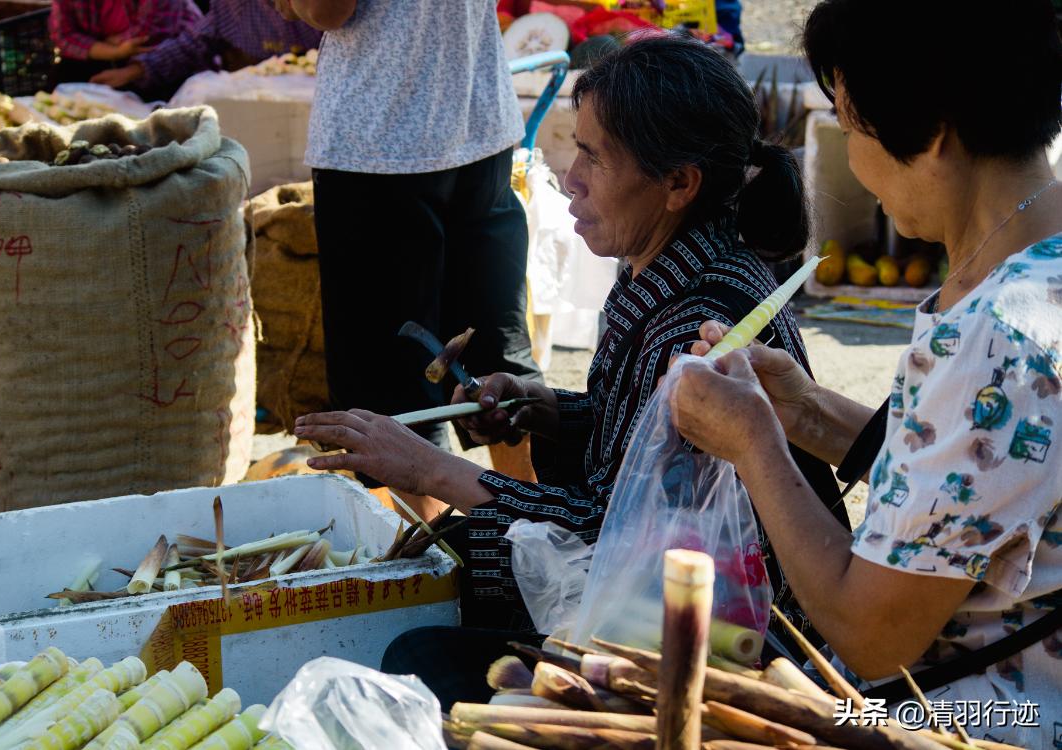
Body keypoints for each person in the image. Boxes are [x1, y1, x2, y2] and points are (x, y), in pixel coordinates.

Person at [297, 34, 848, 692]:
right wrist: (553, 411)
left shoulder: (697, 326)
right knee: (441, 563)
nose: (569, 178)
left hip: (727, 632)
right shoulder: (670, 264)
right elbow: (648, 445)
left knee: (419, 630)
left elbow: (607, 527)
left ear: (678, 183)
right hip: (652, 573)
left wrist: (427, 466)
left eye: (592, 156)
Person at [669, 1, 1061, 745]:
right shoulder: (1032, 269)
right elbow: (981, 489)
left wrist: (752, 443)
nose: (849, 156)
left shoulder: (998, 336)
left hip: (980, 722)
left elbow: (870, 635)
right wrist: (805, 413)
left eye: (850, 124)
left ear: (934, 132)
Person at [273, 0, 542, 518]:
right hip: (477, 119)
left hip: (379, 138)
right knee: (498, 362)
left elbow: (326, 9)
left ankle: (440, 574)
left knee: (390, 392)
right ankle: (535, 541)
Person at [90, 0, 322, 97]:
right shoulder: (233, 5)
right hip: (254, 95)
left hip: (317, 93)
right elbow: (194, 41)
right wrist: (135, 71)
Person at [49, 0, 201, 96]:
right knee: (65, 76)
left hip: (161, 54)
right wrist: (114, 51)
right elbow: (64, 35)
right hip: (105, 52)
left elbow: (148, 35)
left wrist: (105, 44)